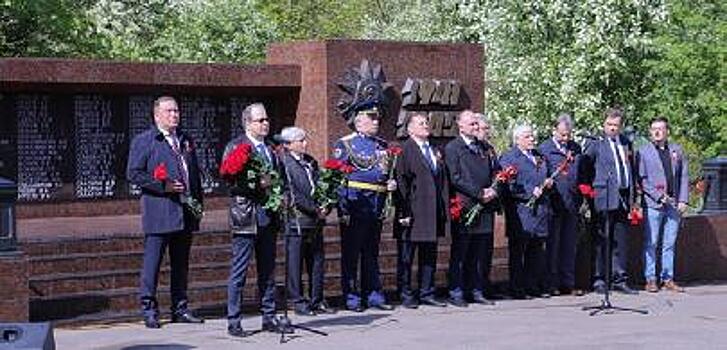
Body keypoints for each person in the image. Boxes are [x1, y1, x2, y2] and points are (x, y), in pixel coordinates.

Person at [126, 96, 204, 328]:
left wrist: (198, 205)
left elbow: (194, 174)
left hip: (185, 212)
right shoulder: (146, 140)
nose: (174, 115)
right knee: (153, 264)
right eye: (169, 111)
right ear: (156, 115)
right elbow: (134, 173)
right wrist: (163, 186)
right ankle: (149, 309)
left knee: (181, 264)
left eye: (177, 111)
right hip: (160, 211)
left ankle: (179, 308)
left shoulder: (185, 139)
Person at [223, 103, 284, 337]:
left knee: (268, 271)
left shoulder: (271, 148)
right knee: (239, 271)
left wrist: (280, 194)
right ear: (248, 123)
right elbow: (228, 179)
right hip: (245, 215)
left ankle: (269, 315)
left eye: (267, 119)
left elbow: (278, 179)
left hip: (267, 216)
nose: (266, 123)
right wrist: (256, 184)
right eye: (260, 120)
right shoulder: (237, 146)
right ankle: (234, 319)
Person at [333, 105, 396, 312]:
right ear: (359, 122)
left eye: (377, 118)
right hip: (355, 203)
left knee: (371, 253)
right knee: (352, 253)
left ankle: (374, 295)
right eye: (371, 118)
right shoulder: (345, 144)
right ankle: (352, 297)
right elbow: (338, 177)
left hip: (376, 204)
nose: (377, 121)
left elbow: (384, 173)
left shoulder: (381, 145)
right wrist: (343, 209)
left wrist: (389, 185)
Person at [580, 107, 639, 295]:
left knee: (619, 240)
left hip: (622, 197)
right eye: (609, 124)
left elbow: (631, 169)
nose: (613, 128)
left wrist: (633, 198)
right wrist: (589, 191)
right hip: (603, 197)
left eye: (616, 125)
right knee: (602, 239)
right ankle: (599, 279)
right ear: (603, 124)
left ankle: (619, 278)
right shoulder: (595, 144)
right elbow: (584, 167)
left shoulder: (625, 142)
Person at [394, 113, 449, 309]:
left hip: (432, 212)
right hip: (413, 213)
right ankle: (406, 292)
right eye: (421, 123)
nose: (426, 125)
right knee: (407, 256)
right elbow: (402, 183)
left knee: (429, 255)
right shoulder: (405, 151)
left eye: (426, 122)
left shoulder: (434, 149)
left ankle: (427, 292)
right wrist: (404, 212)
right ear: (410, 129)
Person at [279, 126, 335, 315]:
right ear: (288, 144)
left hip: (316, 221)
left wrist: (327, 204)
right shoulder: (284, 164)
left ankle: (317, 299)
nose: (305, 143)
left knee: (317, 261)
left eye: (304, 139)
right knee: (295, 262)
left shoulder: (310, 162)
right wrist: (313, 209)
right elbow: (291, 192)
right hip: (298, 220)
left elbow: (321, 185)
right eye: (300, 140)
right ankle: (297, 301)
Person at [445, 110, 498, 307]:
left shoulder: (484, 147)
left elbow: (497, 172)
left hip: (484, 206)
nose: (476, 127)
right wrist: (479, 193)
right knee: (461, 252)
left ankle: (475, 290)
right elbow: (455, 177)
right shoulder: (453, 148)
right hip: (466, 206)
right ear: (460, 126)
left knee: (478, 252)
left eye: (477, 124)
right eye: (472, 124)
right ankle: (456, 291)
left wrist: (493, 189)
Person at [501, 124, 554, 299]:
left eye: (532, 136)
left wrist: (548, 183)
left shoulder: (539, 156)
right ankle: (517, 288)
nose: (532, 139)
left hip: (540, 211)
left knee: (536, 251)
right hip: (522, 212)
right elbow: (509, 185)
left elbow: (548, 174)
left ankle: (532, 285)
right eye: (528, 136)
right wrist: (529, 191)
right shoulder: (509, 158)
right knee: (518, 252)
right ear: (517, 140)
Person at [638, 116, 688, 293]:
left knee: (669, 243)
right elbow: (642, 180)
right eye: (654, 129)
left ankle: (667, 278)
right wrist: (659, 196)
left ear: (667, 131)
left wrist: (683, 199)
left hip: (673, 205)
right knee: (651, 242)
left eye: (660, 128)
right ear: (650, 132)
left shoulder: (677, 151)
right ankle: (650, 279)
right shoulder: (643, 152)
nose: (657, 132)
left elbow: (683, 176)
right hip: (653, 204)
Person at [538, 114, 584, 296]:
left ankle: (568, 282)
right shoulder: (544, 149)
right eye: (563, 134)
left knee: (569, 245)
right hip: (554, 204)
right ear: (554, 131)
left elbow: (581, 173)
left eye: (569, 135)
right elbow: (542, 174)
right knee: (553, 246)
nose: (566, 139)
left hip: (572, 204)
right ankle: (551, 283)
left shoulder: (575, 148)